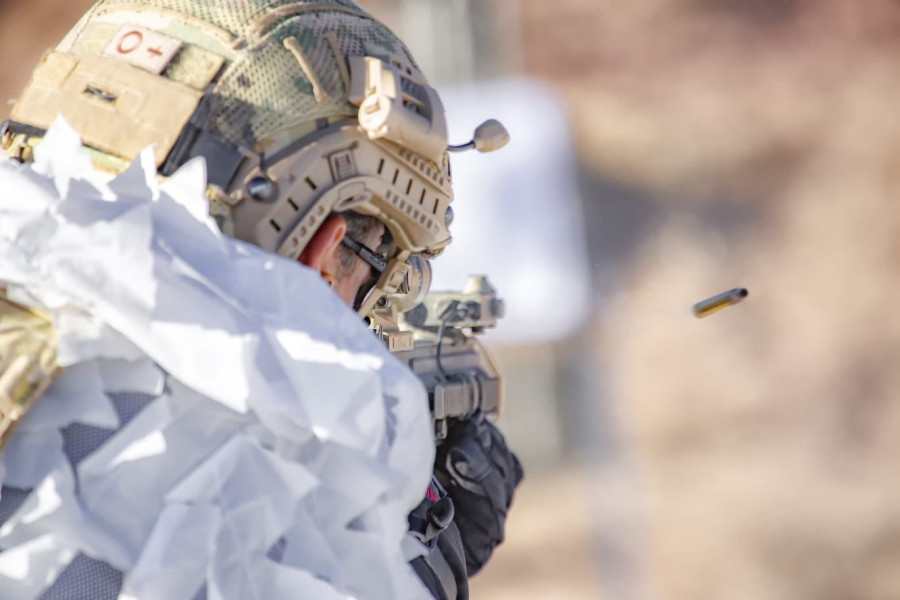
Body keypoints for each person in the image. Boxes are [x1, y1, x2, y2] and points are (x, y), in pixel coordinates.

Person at [0, 0, 521, 598]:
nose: (370, 317)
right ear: (326, 253)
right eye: (379, 273)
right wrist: (412, 559)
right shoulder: (200, 449)